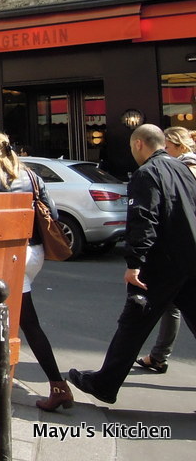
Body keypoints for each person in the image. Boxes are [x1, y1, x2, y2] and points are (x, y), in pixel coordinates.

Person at [69, 124, 196, 404]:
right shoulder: (182, 169)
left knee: (133, 324)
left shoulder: (147, 173)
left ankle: (104, 384)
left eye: (131, 146)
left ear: (139, 143)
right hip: (190, 257)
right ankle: (104, 382)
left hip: (162, 263)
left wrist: (135, 262)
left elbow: (144, 218)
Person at [0, 132, 72, 411]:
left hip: (10, 254)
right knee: (5, 314)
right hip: (34, 252)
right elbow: (53, 214)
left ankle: (58, 386)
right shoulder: (32, 176)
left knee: (26, 322)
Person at [135, 126, 196, 373]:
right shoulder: (180, 166)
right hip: (184, 248)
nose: (164, 151)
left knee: (170, 305)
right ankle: (159, 355)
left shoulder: (184, 168)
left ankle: (158, 356)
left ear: (179, 146)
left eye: (168, 147)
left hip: (180, 249)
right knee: (172, 305)